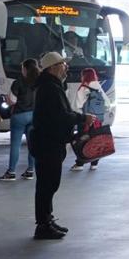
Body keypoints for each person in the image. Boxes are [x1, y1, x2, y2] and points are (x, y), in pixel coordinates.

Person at [29, 51, 92, 239]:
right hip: (48, 144)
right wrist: (82, 118)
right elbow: (60, 116)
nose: (66, 68)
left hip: (49, 142)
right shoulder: (50, 88)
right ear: (53, 68)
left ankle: (47, 220)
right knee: (47, 185)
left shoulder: (51, 86)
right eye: (63, 65)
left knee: (49, 184)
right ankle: (43, 225)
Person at [1, 59, 38, 181]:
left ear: (25, 69)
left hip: (19, 115)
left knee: (15, 145)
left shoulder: (18, 82)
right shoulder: (39, 82)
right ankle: (30, 170)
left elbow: (12, 101)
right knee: (32, 143)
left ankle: (11, 172)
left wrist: (6, 99)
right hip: (34, 115)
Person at [69, 68, 106, 172]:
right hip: (98, 120)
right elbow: (107, 104)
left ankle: (80, 164)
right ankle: (94, 163)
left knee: (82, 140)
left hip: (86, 120)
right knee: (96, 139)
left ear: (84, 76)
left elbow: (76, 106)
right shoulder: (99, 88)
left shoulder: (83, 88)